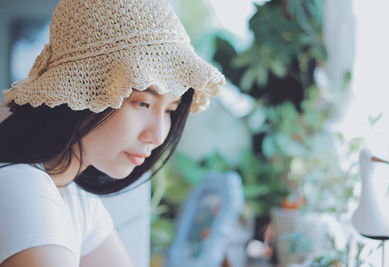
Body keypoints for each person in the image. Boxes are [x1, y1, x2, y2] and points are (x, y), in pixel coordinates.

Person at [0, 0, 225, 266]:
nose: (157, 135)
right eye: (143, 103)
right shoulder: (19, 186)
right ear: (83, 94)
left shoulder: (73, 196)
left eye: (169, 110)